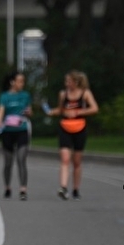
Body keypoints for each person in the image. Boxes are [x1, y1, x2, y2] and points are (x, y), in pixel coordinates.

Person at [44, 70, 98, 200]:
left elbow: (94, 108)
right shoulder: (63, 94)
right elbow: (61, 109)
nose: (66, 84)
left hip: (79, 127)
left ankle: (75, 189)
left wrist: (78, 112)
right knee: (65, 158)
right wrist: (51, 112)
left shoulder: (85, 93)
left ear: (76, 82)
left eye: (68, 81)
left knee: (77, 161)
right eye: (66, 81)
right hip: (65, 127)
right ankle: (63, 187)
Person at [0, 71, 32, 200]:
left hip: (21, 130)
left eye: (23, 81)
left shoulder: (25, 96)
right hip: (8, 131)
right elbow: (0, 112)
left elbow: (29, 112)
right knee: (8, 162)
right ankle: (7, 187)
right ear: (13, 82)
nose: (22, 84)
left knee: (21, 158)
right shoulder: (4, 97)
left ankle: (23, 189)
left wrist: (28, 113)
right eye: (20, 81)